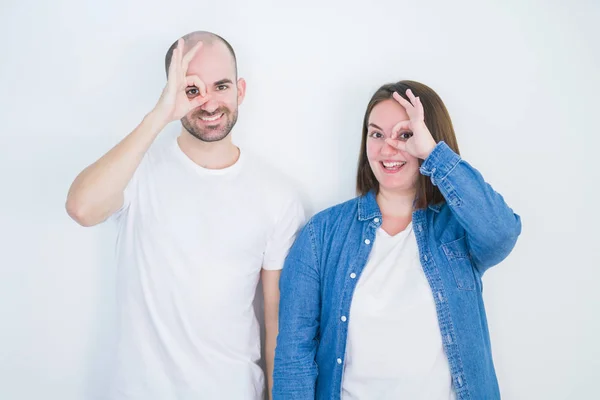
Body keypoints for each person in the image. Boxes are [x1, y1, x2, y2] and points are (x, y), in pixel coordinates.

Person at [65, 31, 304, 400]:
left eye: (220, 86)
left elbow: (275, 325)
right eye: (192, 90)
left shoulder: (278, 196)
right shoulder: (137, 171)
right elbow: (81, 208)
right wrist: (161, 114)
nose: (209, 103)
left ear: (240, 90)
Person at [272, 80, 521, 399]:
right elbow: (295, 356)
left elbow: (501, 232)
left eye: (405, 135)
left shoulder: (457, 229)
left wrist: (434, 155)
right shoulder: (321, 235)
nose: (388, 148)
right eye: (376, 134)